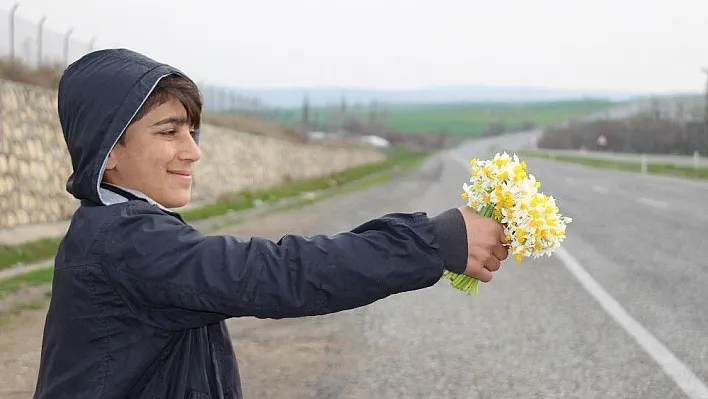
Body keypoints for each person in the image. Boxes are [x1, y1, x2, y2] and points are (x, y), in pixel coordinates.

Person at [33, 48, 509, 399]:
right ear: (109, 150)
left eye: (192, 132)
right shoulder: (127, 242)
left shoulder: (114, 229)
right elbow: (278, 273)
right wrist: (432, 241)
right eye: (169, 131)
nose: (192, 151)